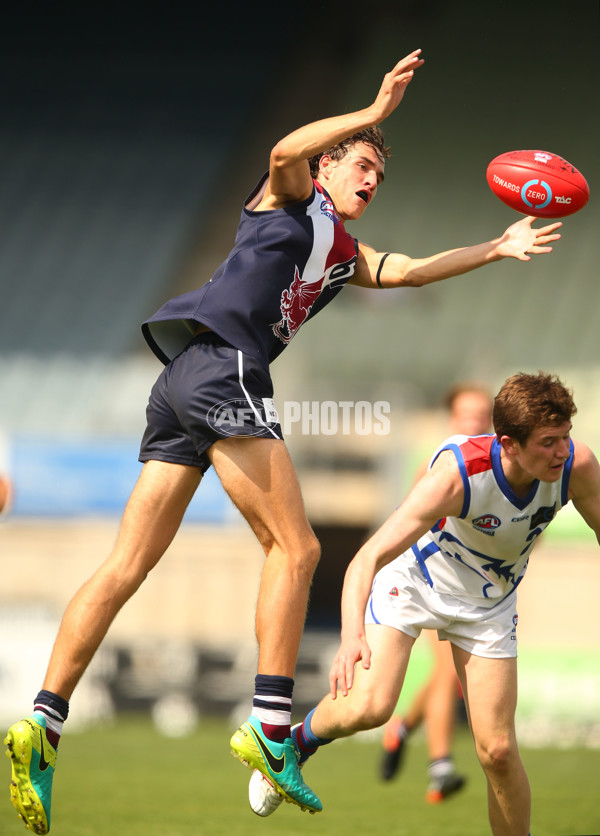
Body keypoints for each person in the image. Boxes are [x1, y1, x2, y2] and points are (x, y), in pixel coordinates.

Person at [4, 48, 564, 833]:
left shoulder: (340, 251)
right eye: (361, 165)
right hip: (224, 369)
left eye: (379, 172)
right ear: (328, 166)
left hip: (183, 382)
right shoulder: (293, 197)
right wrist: (370, 114)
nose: (371, 178)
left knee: (127, 563)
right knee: (298, 551)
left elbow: (406, 271)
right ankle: (272, 731)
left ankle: (43, 723)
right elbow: (281, 153)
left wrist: (494, 249)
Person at [248, 371, 600, 836]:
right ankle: (294, 743)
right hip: (416, 583)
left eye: (566, 437)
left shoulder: (577, 467)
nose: (562, 450)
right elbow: (367, 557)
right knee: (370, 708)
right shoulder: (456, 476)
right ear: (510, 443)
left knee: (497, 751)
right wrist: (351, 634)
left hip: (490, 604)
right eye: (549, 441)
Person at [380, 382, 494, 801]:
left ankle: (402, 727)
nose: (474, 423)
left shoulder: (505, 467)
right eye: (467, 416)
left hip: (485, 591)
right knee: (448, 672)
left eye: (481, 416)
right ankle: (440, 765)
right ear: (453, 420)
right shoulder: (439, 466)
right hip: (436, 583)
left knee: (447, 675)